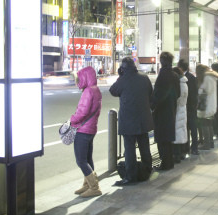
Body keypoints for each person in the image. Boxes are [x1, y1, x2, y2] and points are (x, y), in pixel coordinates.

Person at [110, 57, 153, 185]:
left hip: (128, 121)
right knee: (144, 146)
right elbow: (151, 94)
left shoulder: (122, 80)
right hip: (143, 119)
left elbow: (113, 90)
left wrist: (120, 76)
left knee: (129, 149)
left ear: (123, 69)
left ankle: (130, 176)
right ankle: (147, 170)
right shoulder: (144, 78)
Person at [70, 66, 102, 197]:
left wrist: (71, 120)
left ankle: (94, 187)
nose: (77, 82)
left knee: (81, 160)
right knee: (88, 158)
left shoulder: (88, 91)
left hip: (83, 130)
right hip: (91, 128)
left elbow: (82, 112)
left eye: (78, 79)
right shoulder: (96, 90)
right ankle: (87, 184)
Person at [151, 52, 180, 170]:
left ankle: (166, 164)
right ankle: (169, 162)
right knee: (168, 138)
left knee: (161, 138)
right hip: (171, 110)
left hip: (162, 112)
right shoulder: (174, 75)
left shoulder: (163, 74)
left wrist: (152, 105)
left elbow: (158, 94)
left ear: (162, 61)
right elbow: (177, 93)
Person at [177, 59, 199, 155]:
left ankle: (191, 147)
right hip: (190, 106)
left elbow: (192, 93)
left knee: (190, 127)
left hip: (188, 106)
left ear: (181, 68)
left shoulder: (185, 78)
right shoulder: (191, 77)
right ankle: (190, 148)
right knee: (190, 128)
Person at [196, 64, 218, 150]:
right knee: (209, 124)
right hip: (211, 105)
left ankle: (207, 144)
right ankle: (211, 143)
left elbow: (205, 91)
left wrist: (199, 91)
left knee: (205, 124)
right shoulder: (211, 77)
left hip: (206, 105)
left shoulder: (207, 78)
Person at [172, 67, 188, 163]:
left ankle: (177, 156)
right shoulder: (184, 83)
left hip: (178, 110)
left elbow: (177, 99)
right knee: (180, 132)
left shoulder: (179, 84)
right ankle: (181, 154)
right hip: (182, 109)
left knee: (177, 134)